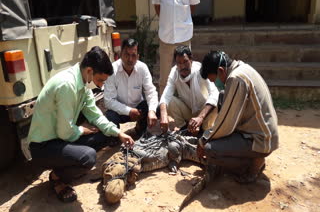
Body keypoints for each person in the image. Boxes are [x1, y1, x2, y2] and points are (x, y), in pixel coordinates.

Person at [27, 46, 134, 203]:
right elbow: (64, 132)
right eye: (100, 80)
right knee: (88, 157)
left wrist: (119, 133)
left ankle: (69, 164)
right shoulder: (67, 86)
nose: (101, 85)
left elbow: (96, 116)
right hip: (43, 147)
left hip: (60, 138)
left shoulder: (83, 85)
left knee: (107, 133)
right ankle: (57, 178)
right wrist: (81, 130)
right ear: (90, 71)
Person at [198, 51, 279, 183]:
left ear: (220, 70)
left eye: (214, 80)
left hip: (261, 139)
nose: (215, 83)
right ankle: (253, 157)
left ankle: (251, 165)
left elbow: (225, 124)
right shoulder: (242, 67)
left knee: (210, 150)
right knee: (222, 95)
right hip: (263, 133)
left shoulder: (236, 78)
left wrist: (203, 140)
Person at [159, 46, 219, 135]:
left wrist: (200, 117)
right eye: (179, 63)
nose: (182, 66)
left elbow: (214, 93)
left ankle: (204, 132)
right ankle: (185, 129)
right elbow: (165, 96)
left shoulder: (200, 70)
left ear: (191, 60)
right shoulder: (174, 72)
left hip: (204, 113)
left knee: (215, 104)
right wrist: (163, 115)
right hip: (189, 112)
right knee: (170, 101)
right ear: (176, 64)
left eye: (185, 61)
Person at [104, 38, 158, 135]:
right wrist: (128, 111)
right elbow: (108, 101)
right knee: (109, 116)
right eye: (126, 55)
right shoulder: (112, 70)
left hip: (138, 110)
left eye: (133, 55)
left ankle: (141, 129)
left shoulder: (143, 68)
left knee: (153, 107)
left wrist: (152, 111)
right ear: (121, 54)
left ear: (138, 56)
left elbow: (151, 92)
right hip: (119, 111)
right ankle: (116, 135)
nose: (130, 59)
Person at [152, 0, 200, 95]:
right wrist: (167, 23)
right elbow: (157, 6)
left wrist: (182, 20)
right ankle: (163, 107)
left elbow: (193, 5)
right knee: (164, 77)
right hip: (166, 36)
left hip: (184, 35)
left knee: (187, 74)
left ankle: (189, 106)